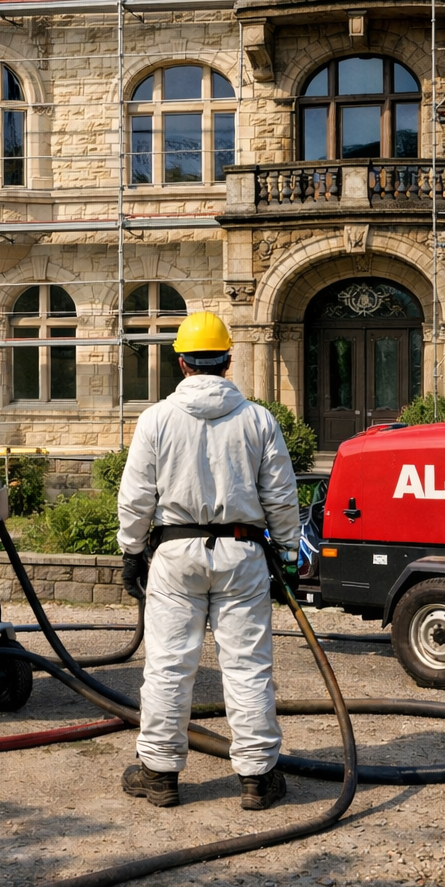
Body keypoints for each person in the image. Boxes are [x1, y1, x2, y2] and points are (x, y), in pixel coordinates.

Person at [116, 311, 301, 811]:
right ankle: (258, 778)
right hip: (243, 553)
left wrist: (132, 552)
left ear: (181, 363)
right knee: (247, 666)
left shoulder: (157, 419)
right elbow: (281, 495)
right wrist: (287, 553)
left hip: (175, 553)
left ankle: (159, 774)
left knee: (169, 667)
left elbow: (136, 496)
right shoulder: (257, 418)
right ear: (228, 361)